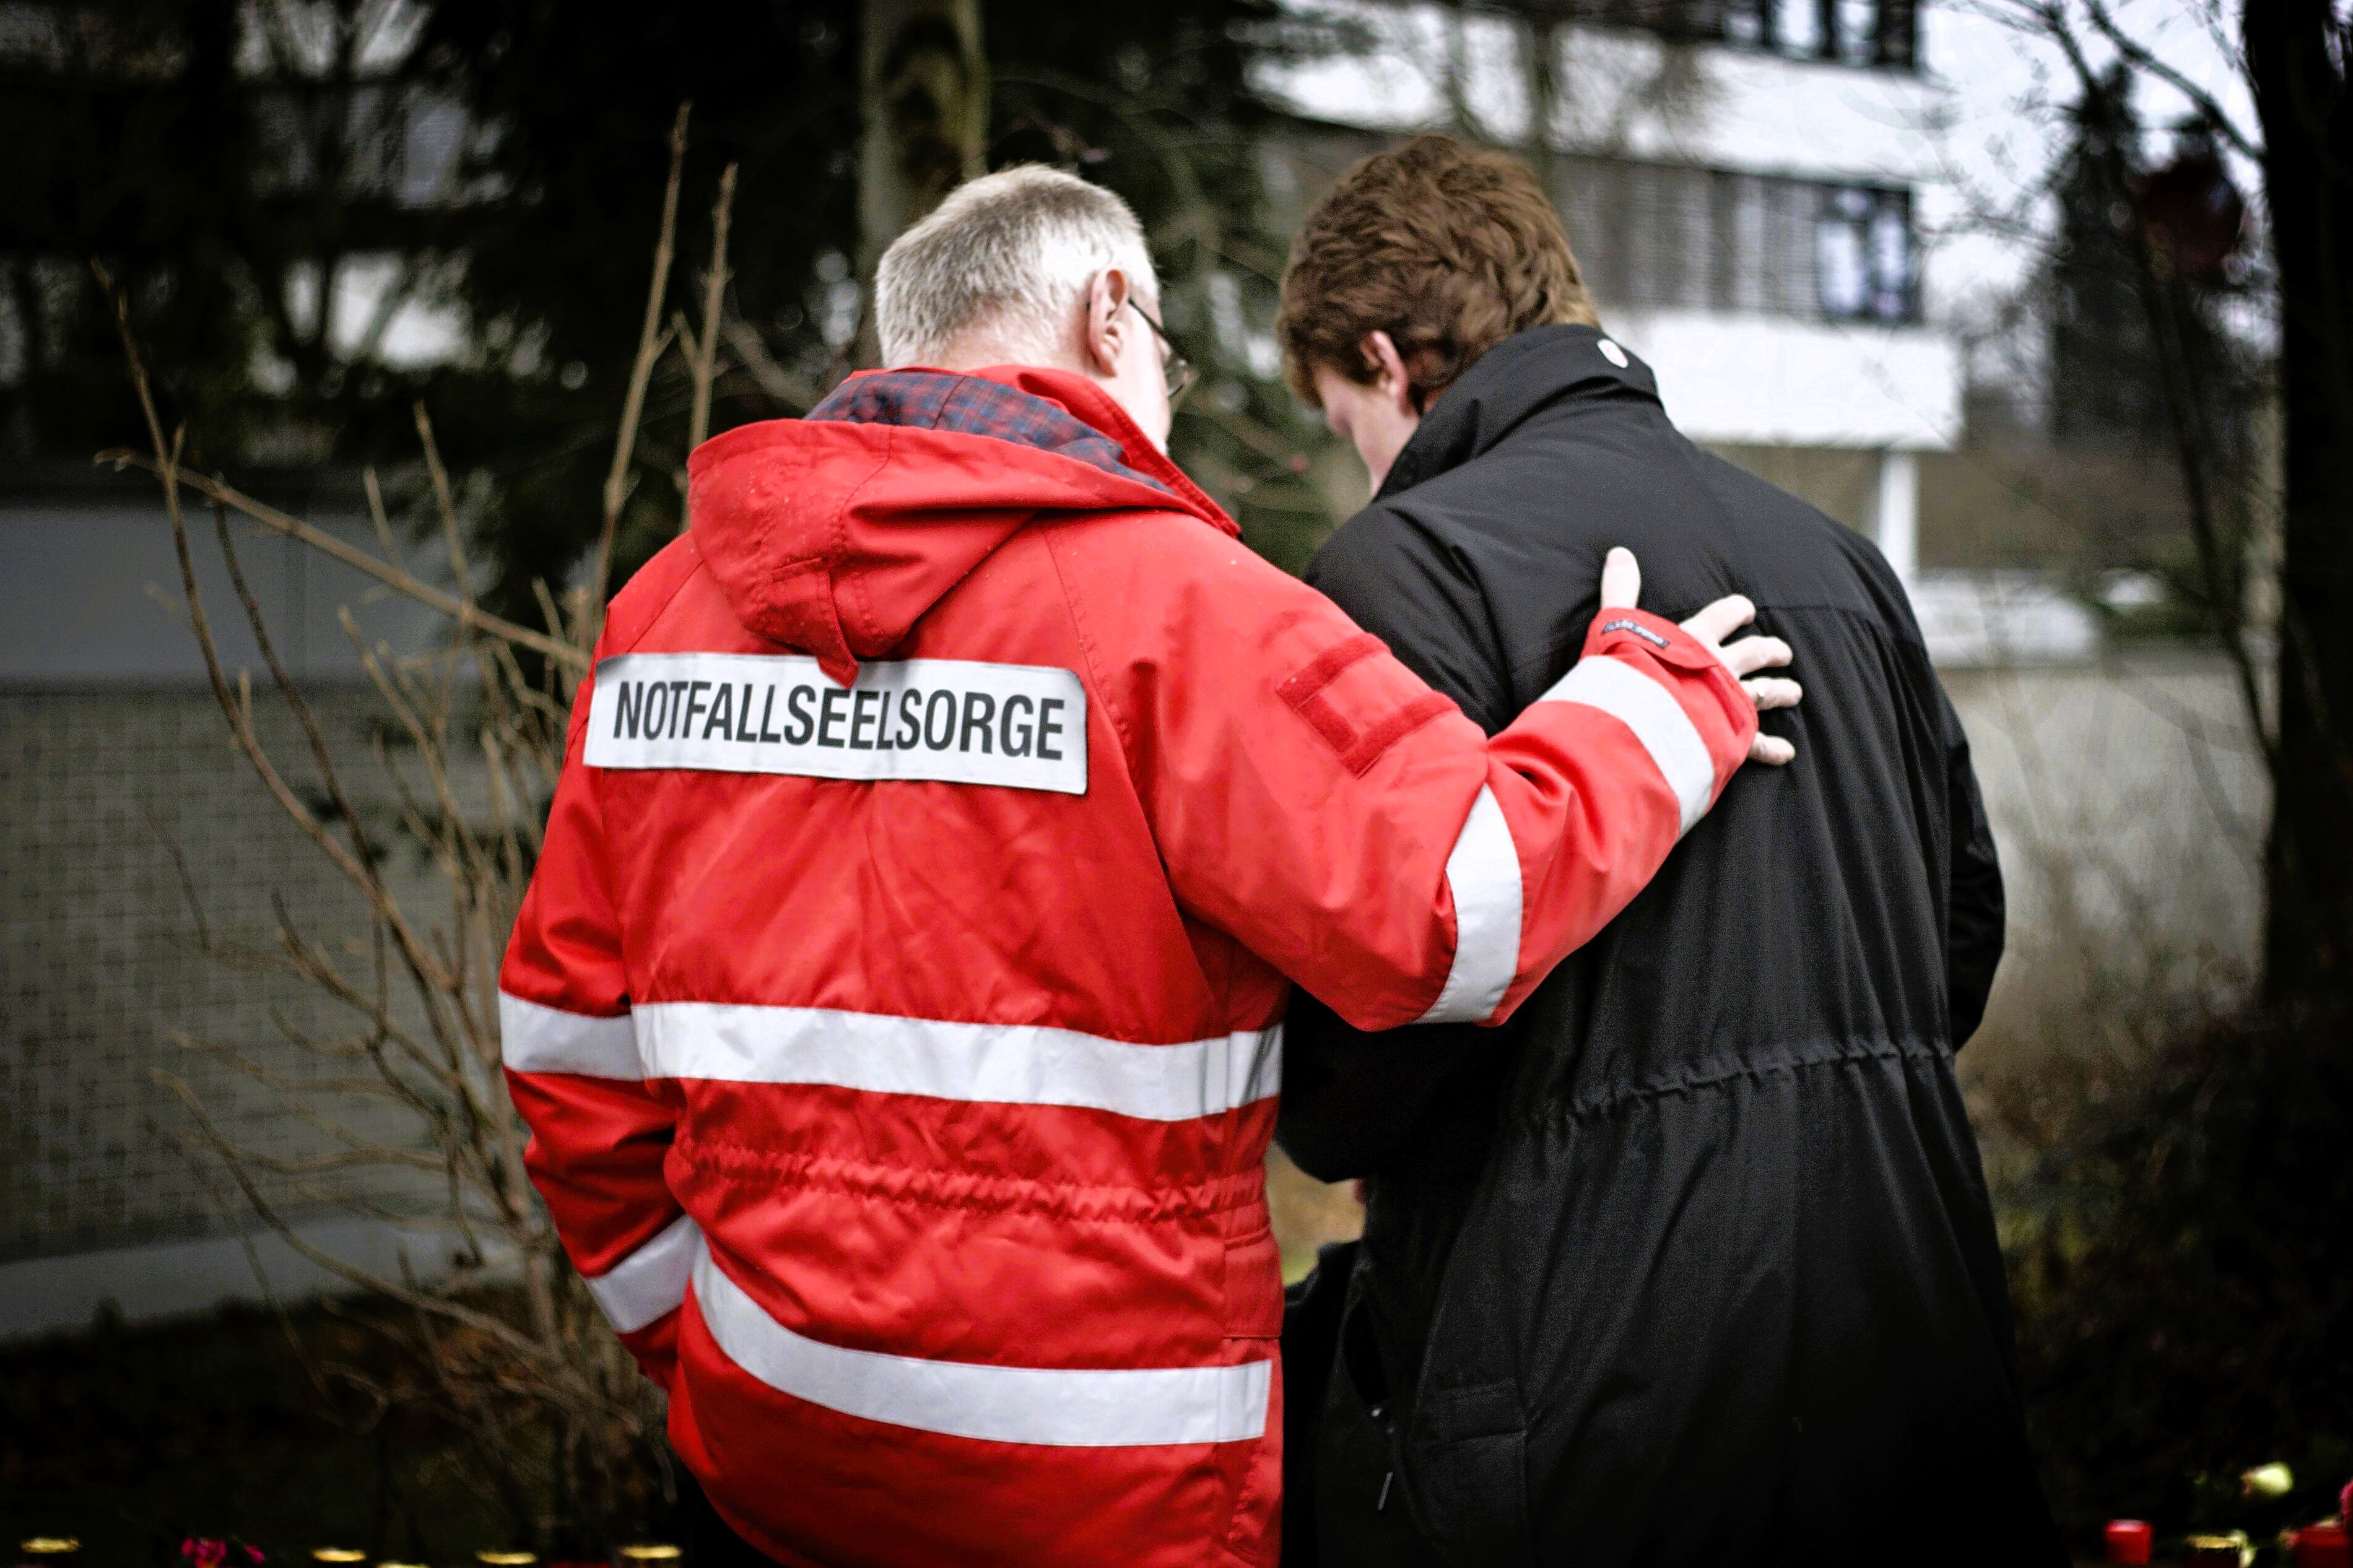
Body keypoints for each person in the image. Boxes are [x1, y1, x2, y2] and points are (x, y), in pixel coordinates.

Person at [496, 164, 1793, 1567]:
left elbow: (569, 1048)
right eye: (1165, 349)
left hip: (767, 1457)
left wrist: (698, 1349)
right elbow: (1455, 904)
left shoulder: (665, 612)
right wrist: (1655, 702)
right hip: (1107, 1492)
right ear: (1111, 316)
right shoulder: (1173, 606)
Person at [1271, 134, 2066, 1567]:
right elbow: (1957, 941)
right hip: (1908, 1340)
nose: (1363, 468)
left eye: (1344, 423)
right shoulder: (1834, 559)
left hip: (1581, 1387)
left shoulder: (1407, 570)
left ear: (1387, 361)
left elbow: (1359, 1043)